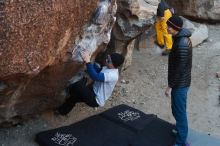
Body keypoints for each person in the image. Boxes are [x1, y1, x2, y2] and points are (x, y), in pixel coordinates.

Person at [55, 52, 125, 115]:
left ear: (113, 64)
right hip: (92, 91)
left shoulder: (113, 75)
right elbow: (97, 70)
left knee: (79, 85)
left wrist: (88, 62)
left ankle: (70, 90)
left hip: (95, 99)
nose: (106, 60)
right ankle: (61, 111)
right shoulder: (107, 67)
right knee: (74, 97)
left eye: (108, 60)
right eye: (107, 58)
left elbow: (95, 76)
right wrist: (90, 62)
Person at [165, 15, 192, 146]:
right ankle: (179, 129)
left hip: (180, 84)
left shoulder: (182, 44)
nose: (166, 28)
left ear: (175, 28)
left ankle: (181, 141)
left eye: (169, 26)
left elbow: (179, 69)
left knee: (180, 112)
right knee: (176, 108)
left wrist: (170, 86)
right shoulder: (179, 38)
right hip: (180, 82)